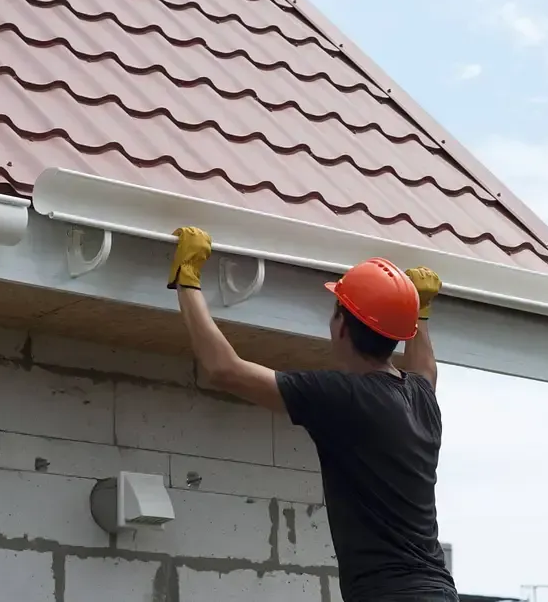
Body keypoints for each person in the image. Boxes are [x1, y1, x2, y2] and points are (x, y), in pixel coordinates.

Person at [169, 226, 458, 602]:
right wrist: (419, 312)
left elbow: (226, 370)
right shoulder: (420, 397)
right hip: (437, 590)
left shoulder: (346, 398)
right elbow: (426, 368)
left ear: (341, 326)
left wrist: (187, 279)